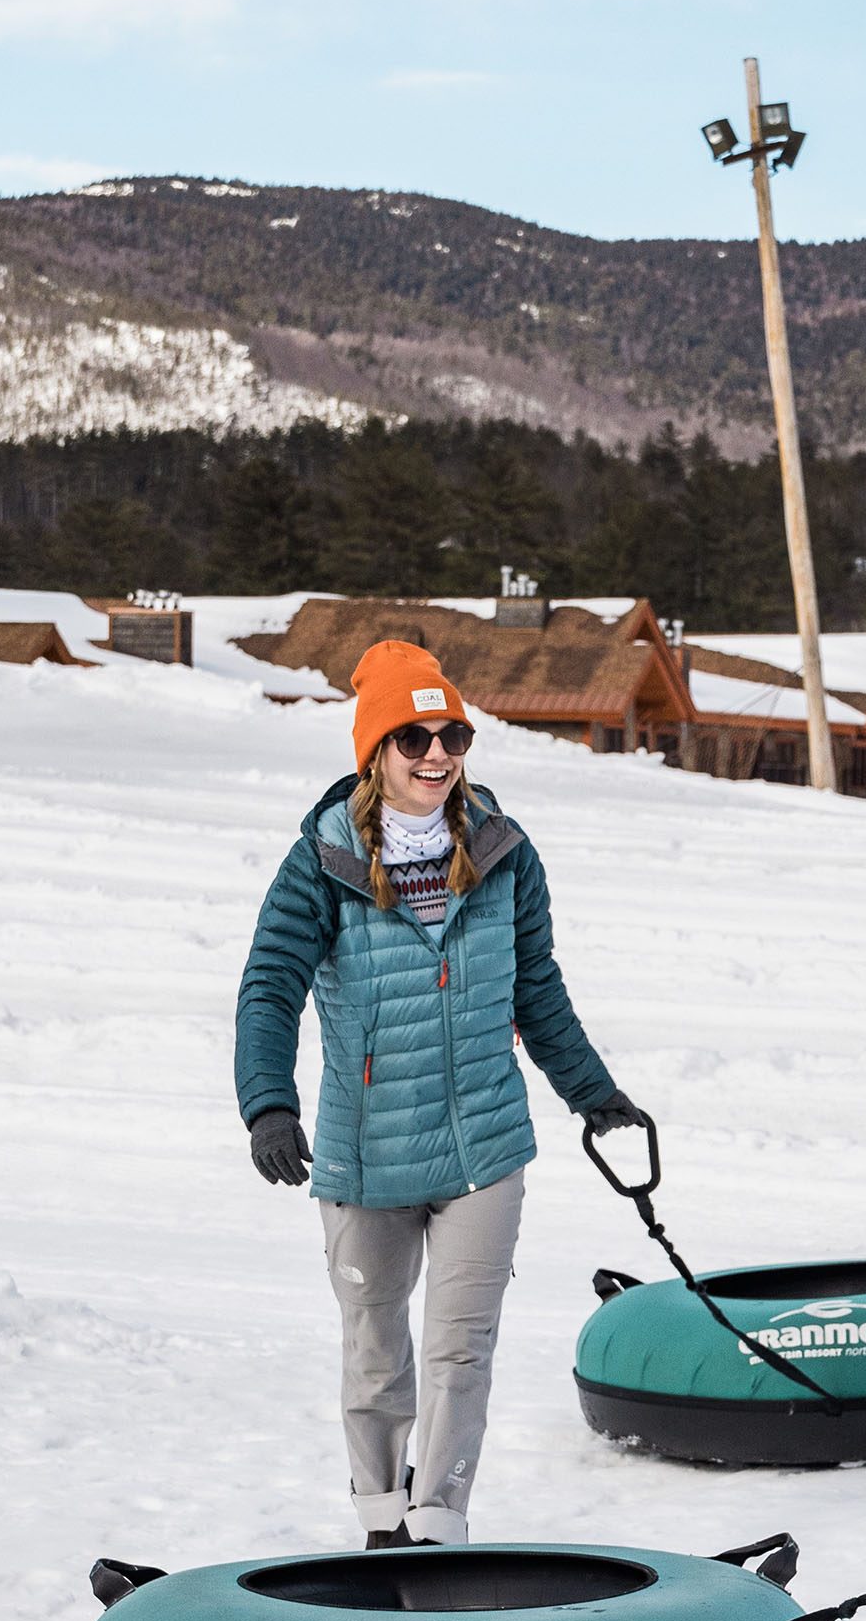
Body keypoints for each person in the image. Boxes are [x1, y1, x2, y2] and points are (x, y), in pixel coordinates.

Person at [235, 641, 643, 1547]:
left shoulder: (504, 852)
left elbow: (534, 985)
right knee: (377, 1348)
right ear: (375, 751)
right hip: (364, 1151)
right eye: (412, 735)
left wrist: (594, 1093)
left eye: (452, 734)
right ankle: (381, 1518)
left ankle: (439, 1522)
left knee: (462, 1352)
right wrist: (269, 1104)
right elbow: (269, 986)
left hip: (483, 1151)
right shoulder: (323, 863)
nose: (436, 754)